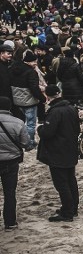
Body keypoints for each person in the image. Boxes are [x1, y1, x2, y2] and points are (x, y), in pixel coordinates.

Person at [36, 85, 80, 222]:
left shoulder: (55, 112)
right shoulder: (71, 108)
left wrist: (40, 129)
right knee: (71, 180)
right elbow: (77, 129)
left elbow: (47, 133)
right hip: (70, 150)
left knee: (61, 183)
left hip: (58, 152)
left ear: (48, 97)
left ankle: (67, 212)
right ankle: (73, 208)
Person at [0, 96, 27, 230]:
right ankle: (10, 222)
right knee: (10, 192)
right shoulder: (18, 123)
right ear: (10, 107)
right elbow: (24, 143)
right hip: (10, 161)